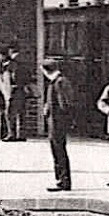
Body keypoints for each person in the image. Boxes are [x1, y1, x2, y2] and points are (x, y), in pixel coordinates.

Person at [42, 57, 74, 191]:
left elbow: (64, 104)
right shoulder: (56, 82)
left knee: (59, 151)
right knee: (57, 151)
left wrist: (64, 120)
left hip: (58, 123)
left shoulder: (59, 82)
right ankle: (60, 179)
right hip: (55, 122)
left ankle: (63, 181)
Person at [0, 46, 29, 141]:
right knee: (21, 113)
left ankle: (11, 134)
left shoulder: (10, 66)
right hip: (20, 91)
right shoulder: (23, 65)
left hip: (13, 91)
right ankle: (21, 134)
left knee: (10, 113)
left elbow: (11, 78)